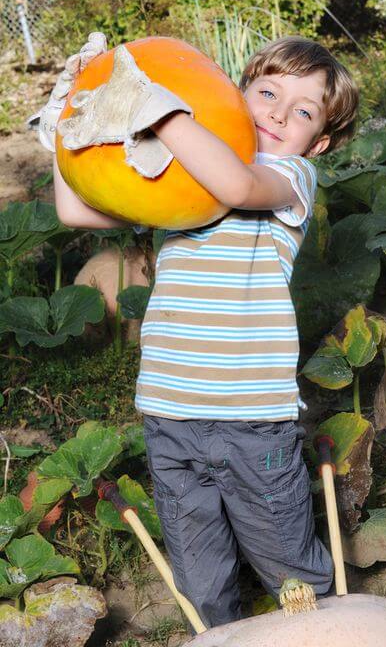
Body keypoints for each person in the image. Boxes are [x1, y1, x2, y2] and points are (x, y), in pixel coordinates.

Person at [40, 32, 359, 627]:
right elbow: (74, 210)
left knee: (289, 565)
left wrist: (160, 111)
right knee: (200, 577)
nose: (278, 114)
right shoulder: (181, 173)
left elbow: (235, 185)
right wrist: (67, 122)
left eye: (303, 112)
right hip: (169, 414)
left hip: (251, 418)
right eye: (268, 93)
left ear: (318, 143)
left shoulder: (289, 177)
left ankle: (326, 635)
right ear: (235, 93)